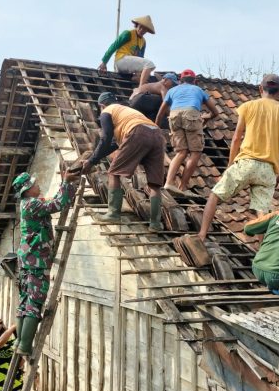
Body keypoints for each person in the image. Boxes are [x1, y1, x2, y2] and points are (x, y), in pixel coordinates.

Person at [196, 74, 279, 241]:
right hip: (268, 169)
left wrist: (230, 163)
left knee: (214, 196)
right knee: (262, 213)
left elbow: (236, 137)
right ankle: (262, 251)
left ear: (260, 89)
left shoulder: (248, 106)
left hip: (246, 162)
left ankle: (202, 234)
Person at [12, 169, 80, 356]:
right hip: (36, 261)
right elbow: (59, 203)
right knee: (35, 302)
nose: (38, 185)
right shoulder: (32, 203)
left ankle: (19, 342)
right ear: (27, 189)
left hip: (27, 259)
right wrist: (66, 183)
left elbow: (48, 201)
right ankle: (25, 346)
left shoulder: (27, 203)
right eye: (34, 185)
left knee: (25, 301)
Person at [82, 92, 167, 232]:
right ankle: (155, 224)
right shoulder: (127, 112)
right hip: (157, 135)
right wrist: (94, 158)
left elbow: (106, 138)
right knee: (154, 184)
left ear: (102, 106)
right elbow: (115, 144)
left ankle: (113, 213)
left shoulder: (107, 112)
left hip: (138, 132)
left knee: (114, 173)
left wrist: (91, 162)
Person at [155, 69, 219, 195]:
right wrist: (206, 117)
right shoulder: (198, 90)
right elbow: (215, 112)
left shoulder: (172, 91)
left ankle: (168, 183)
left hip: (174, 116)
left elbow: (161, 112)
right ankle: (183, 187)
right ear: (194, 81)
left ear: (180, 80)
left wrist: (156, 127)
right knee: (195, 152)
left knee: (181, 152)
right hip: (191, 114)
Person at [98, 15, 156, 88]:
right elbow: (114, 46)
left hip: (129, 67)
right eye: (140, 27)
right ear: (137, 25)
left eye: (144, 29)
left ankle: (137, 78)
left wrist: (139, 74)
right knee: (149, 64)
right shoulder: (128, 33)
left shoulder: (143, 42)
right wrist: (104, 62)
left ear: (147, 31)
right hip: (121, 60)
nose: (142, 30)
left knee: (146, 69)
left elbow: (141, 58)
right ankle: (142, 87)